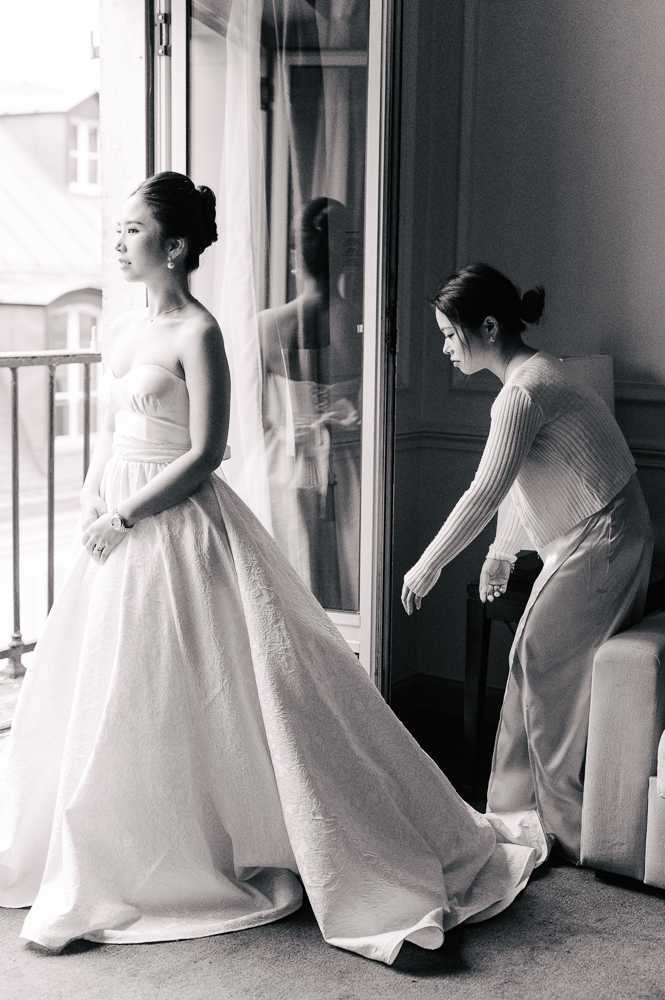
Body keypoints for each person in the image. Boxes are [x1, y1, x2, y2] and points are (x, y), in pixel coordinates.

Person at [0, 178, 538, 965]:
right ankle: (115, 844)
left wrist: (127, 513)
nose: (118, 242)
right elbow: (120, 429)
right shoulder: (122, 326)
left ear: (175, 247)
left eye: (132, 230)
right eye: (116, 230)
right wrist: (95, 498)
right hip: (111, 525)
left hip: (171, 523)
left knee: (232, 688)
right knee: (116, 690)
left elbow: (205, 452)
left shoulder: (200, 332)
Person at [402, 262, 653, 863]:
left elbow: (486, 491)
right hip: (594, 535)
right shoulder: (534, 378)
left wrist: (428, 565)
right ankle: (516, 814)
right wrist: (498, 551)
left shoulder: (524, 389)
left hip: (607, 537)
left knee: (539, 660)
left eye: (448, 334)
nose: (442, 348)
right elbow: (526, 481)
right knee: (528, 659)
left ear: (487, 326)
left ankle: (560, 829)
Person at [258, 197, 362, 611]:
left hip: (285, 464)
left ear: (295, 254)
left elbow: (252, 412)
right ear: (349, 253)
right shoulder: (363, 324)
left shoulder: (267, 326)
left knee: (293, 580)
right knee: (350, 583)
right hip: (352, 468)